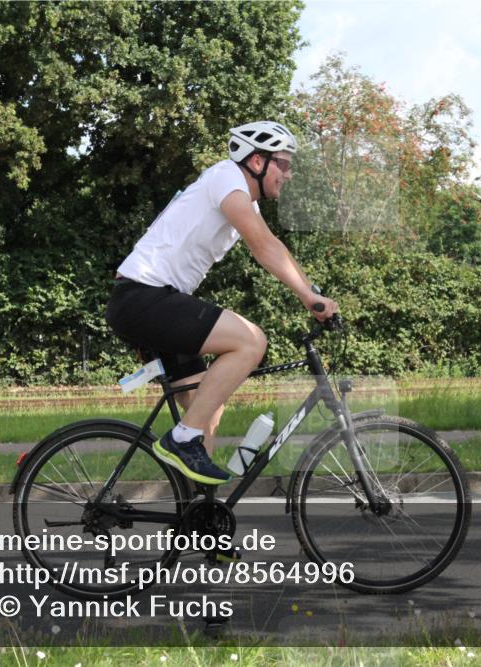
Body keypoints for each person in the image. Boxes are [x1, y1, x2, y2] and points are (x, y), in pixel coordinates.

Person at [106, 121, 339, 488]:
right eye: (284, 163)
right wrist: (309, 298)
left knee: (208, 410)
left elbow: (273, 247)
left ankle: (201, 522)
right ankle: (181, 440)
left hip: (148, 301)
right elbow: (262, 247)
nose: (288, 174)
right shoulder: (226, 178)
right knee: (251, 340)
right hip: (144, 297)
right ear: (258, 162)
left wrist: (312, 292)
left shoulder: (239, 195)